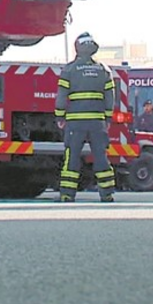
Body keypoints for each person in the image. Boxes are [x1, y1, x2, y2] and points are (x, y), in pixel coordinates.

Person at [55, 32, 116, 203]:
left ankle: (67, 194)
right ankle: (107, 194)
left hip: (75, 122)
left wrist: (60, 116)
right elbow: (110, 98)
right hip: (97, 122)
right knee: (101, 156)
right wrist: (108, 118)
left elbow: (61, 96)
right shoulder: (104, 70)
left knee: (72, 157)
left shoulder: (69, 69)